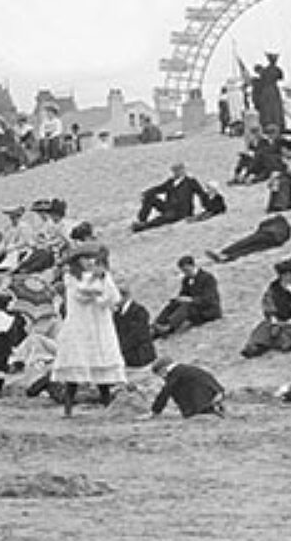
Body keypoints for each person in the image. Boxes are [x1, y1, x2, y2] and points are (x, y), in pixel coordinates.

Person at [51, 246, 125, 417]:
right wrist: (96, 279)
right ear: (77, 261)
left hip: (99, 324)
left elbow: (114, 298)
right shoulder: (70, 277)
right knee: (75, 368)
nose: (89, 262)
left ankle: (107, 406)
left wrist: (104, 277)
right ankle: (68, 408)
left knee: (101, 366)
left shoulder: (101, 275)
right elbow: (82, 294)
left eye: (90, 259)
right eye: (84, 258)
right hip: (80, 325)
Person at [241, 254, 291, 359]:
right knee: (264, 329)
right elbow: (268, 304)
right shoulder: (273, 289)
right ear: (282, 276)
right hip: (278, 318)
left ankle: (282, 342)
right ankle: (255, 347)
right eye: (288, 274)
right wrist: (274, 319)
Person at [152, 256, 222, 338]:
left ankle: (169, 327)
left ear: (192, 266)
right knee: (174, 303)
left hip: (208, 310)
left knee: (187, 306)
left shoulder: (208, 278)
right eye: (183, 271)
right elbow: (183, 294)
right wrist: (179, 299)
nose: (185, 273)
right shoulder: (186, 280)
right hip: (195, 307)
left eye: (186, 270)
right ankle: (158, 324)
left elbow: (210, 299)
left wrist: (191, 300)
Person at [144, 356, 225, 419]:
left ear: (163, 369)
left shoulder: (174, 374)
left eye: (160, 374)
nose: (162, 378)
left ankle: (206, 410)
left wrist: (154, 412)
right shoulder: (185, 369)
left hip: (205, 398)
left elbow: (165, 392)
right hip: (215, 391)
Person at [132, 162, 202, 232]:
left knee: (163, 219)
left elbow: (202, 194)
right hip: (168, 207)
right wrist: (146, 193)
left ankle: (144, 226)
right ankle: (142, 220)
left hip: (181, 212)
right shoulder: (171, 181)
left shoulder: (191, 182)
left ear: (183, 170)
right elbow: (159, 188)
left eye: (177, 170)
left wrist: (209, 209)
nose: (175, 172)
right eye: (174, 170)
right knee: (150, 197)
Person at [206, 214, 291, 264]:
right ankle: (228, 258)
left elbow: (262, 224)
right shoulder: (286, 228)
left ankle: (224, 252)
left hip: (266, 234)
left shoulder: (275, 221)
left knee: (246, 243)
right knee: (251, 249)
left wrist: (261, 229)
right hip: (275, 241)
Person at [113, 284, 156, 378]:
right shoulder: (117, 313)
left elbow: (137, 336)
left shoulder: (139, 311)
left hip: (140, 353)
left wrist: (119, 349)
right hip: (127, 350)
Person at [250, 53, 285, 132]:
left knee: (268, 109)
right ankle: (275, 124)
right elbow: (281, 77)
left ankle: (269, 125)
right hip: (273, 90)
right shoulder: (277, 70)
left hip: (267, 91)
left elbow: (261, 81)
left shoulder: (266, 71)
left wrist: (254, 81)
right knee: (274, 108)